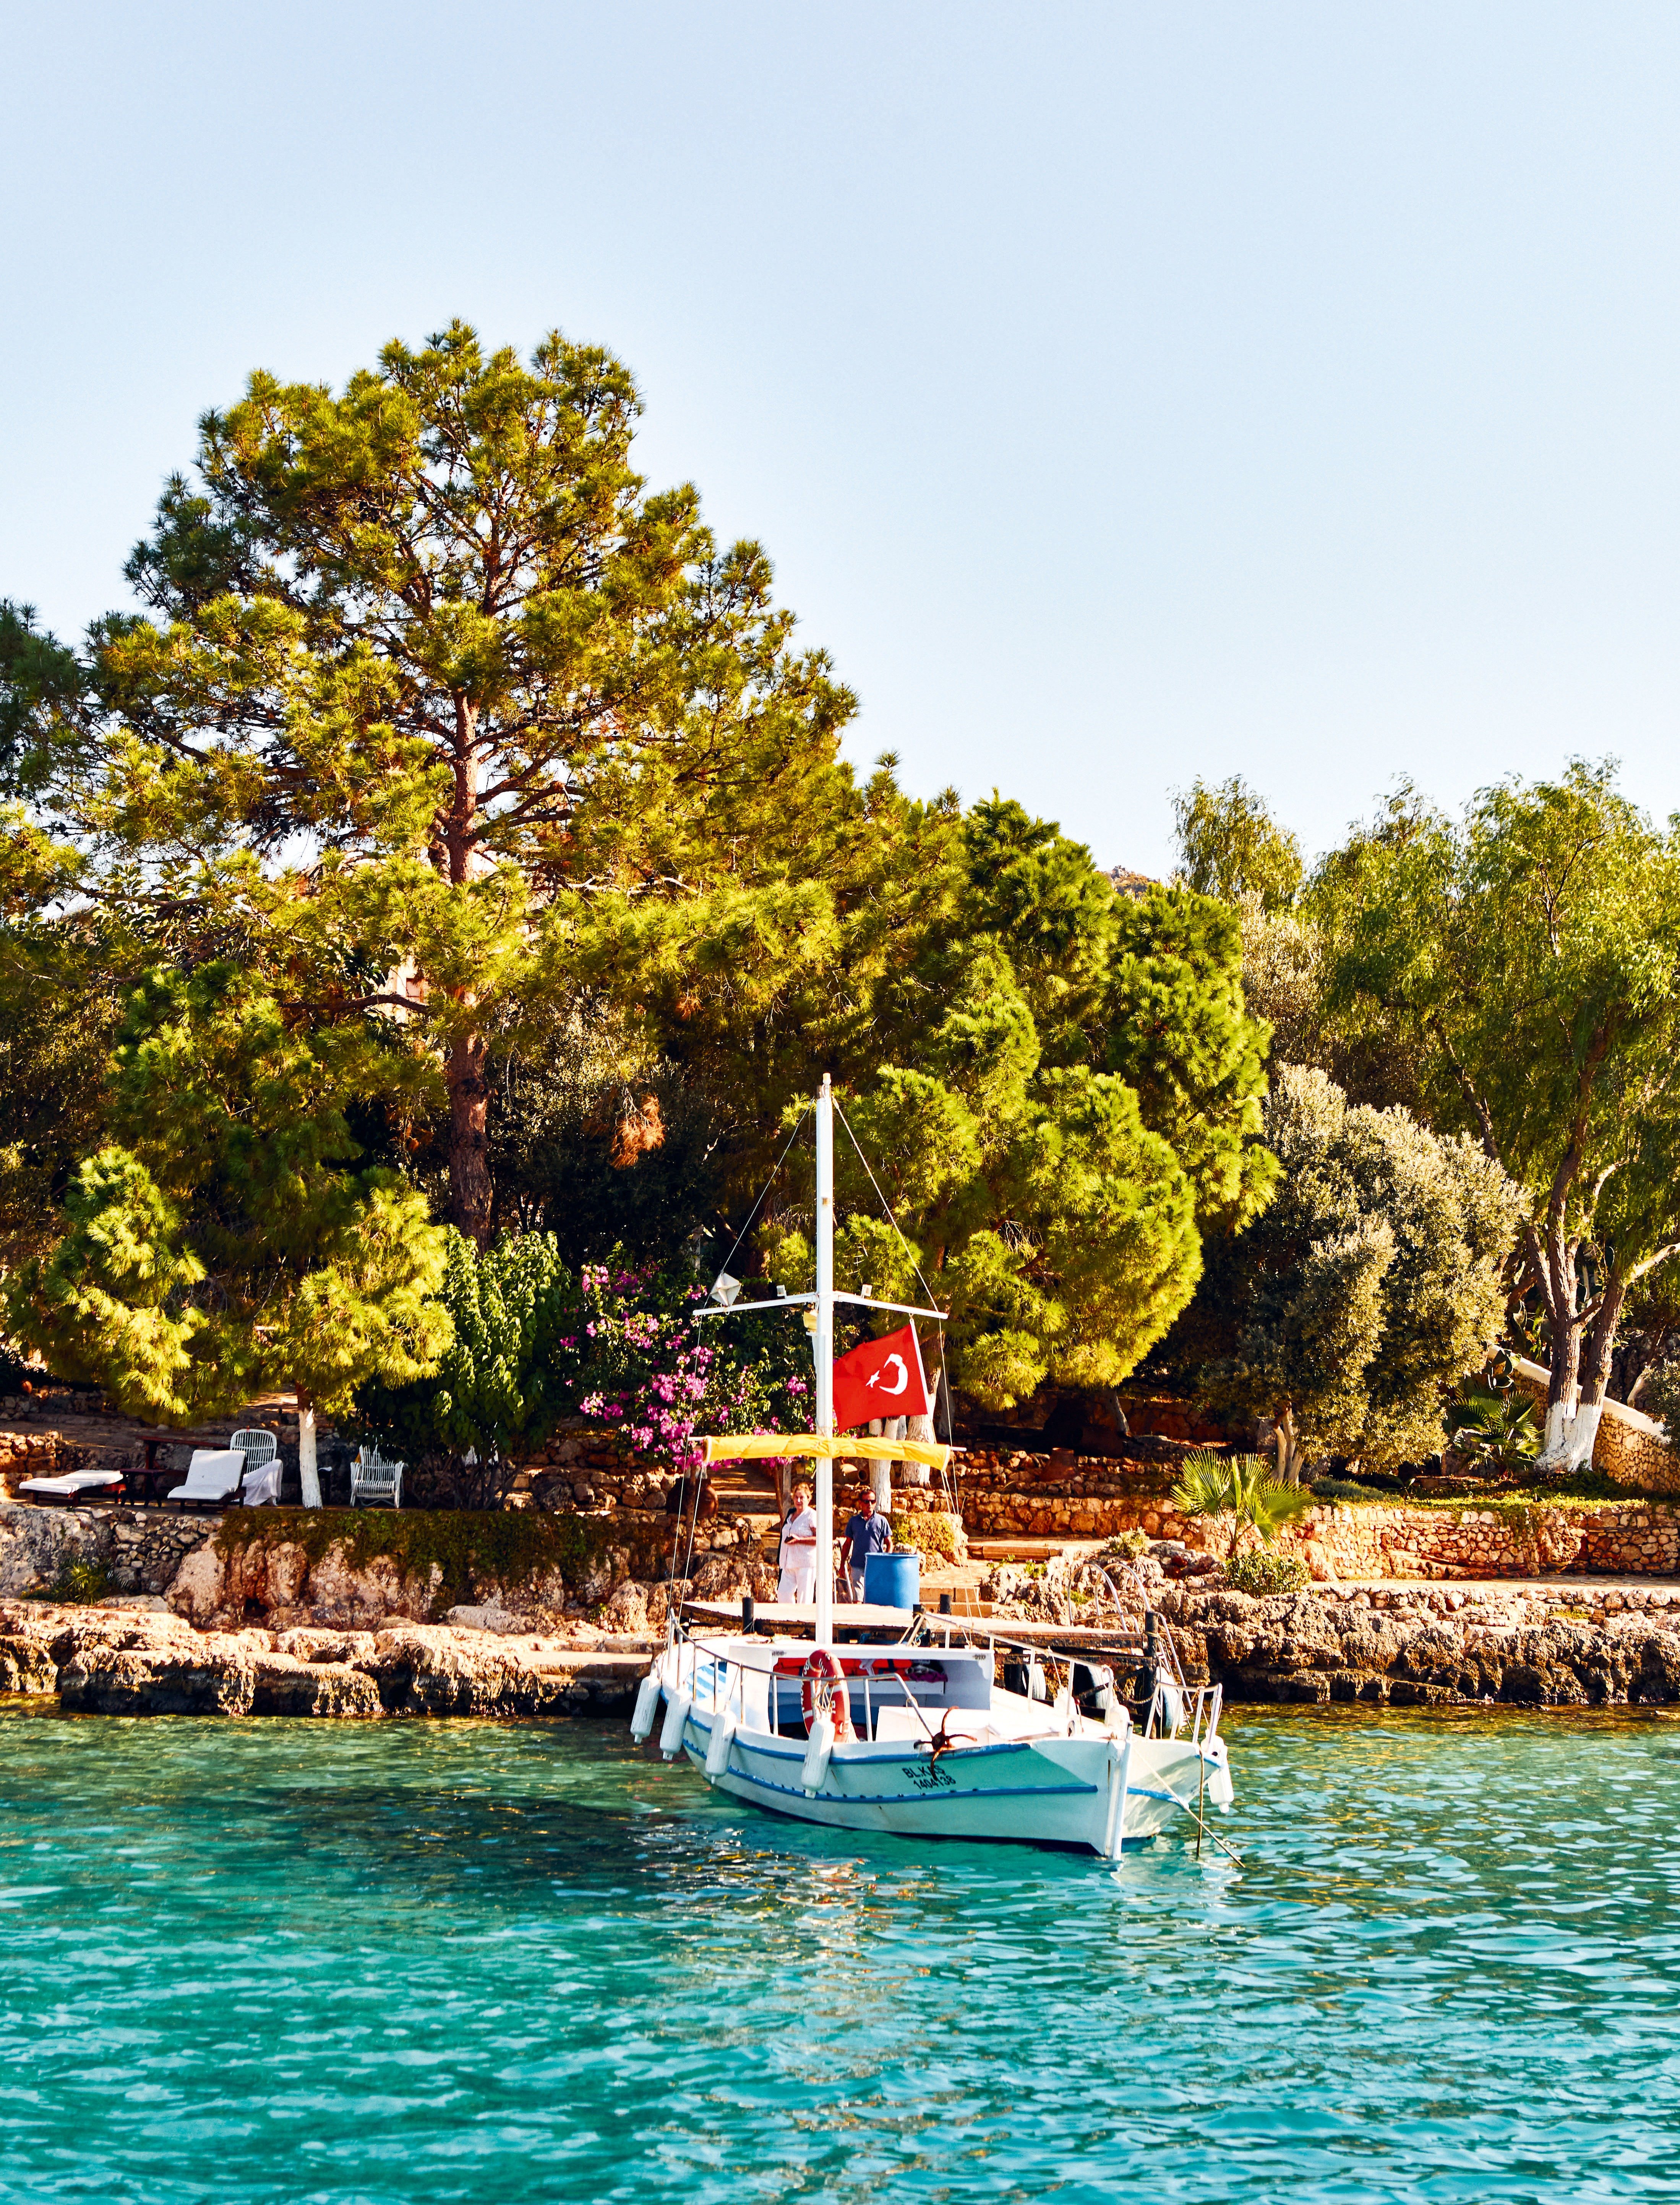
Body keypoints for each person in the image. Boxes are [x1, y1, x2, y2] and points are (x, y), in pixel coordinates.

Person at [841, 1487, 893, 1602]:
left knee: (874, 1599)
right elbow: (847, 1544)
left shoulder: (881, 1521)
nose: (869, 1504)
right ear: (861, 1503)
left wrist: (886, 1560)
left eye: (873, 1501)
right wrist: (842, 1564)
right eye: (866, 1501)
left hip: (876, 1566)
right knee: (858, 1599)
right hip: (857, 1565)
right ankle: (858, 1619)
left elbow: (889, 1543)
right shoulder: (853, 1522)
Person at [777, 1480, 818, 1605]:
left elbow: (820, 1539)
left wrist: (799, 1540)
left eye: (802, 1498)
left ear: (809, 1499)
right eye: (796, 1497)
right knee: (783, 1594)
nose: (799, 1501)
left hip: (805, 1563)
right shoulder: (790, 1514)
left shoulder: (812, 1515)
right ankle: (788, 1621)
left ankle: (804, 1623)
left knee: (804, 1600)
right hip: (788, 1562)